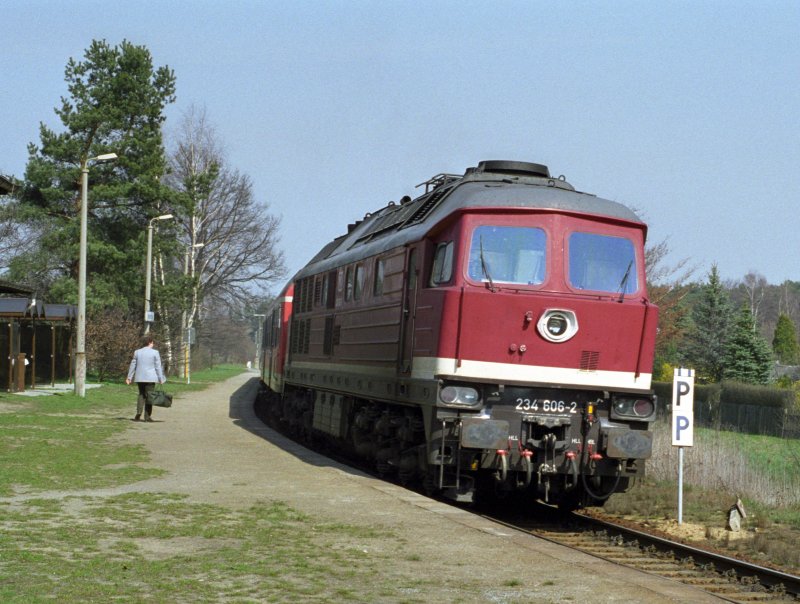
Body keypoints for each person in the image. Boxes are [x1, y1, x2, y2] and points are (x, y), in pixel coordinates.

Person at [126, 335, 166, 422]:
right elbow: (158, 367)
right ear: (149, 342)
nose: (153, 344)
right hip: (150, 378)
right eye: (152, 342)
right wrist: (161, 378)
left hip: (139, 377)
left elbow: (133, 365)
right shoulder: (155, 353)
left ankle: (138, 413)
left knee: (141, 395)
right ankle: (147, 416)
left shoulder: (137, 352)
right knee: (149, 396)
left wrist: (129, 377)